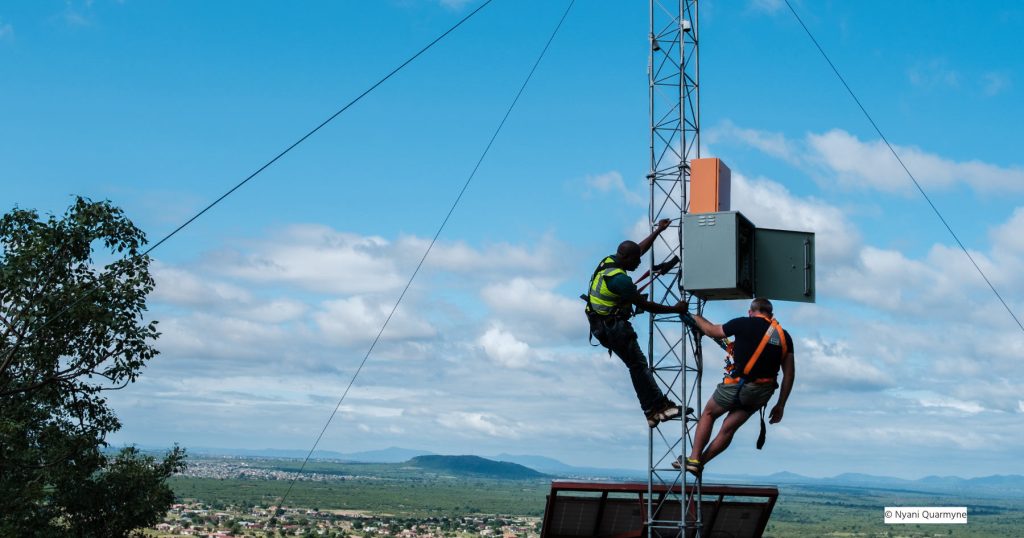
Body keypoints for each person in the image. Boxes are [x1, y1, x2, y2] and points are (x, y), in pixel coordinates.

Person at [586, 218, 690, 428]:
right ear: (626, 258)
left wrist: (658, 231)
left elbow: (639, 249)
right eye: (636, 261)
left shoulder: (609, 262)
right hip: (613, 328)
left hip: (601, 325)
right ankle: (659, 407)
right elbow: (648, 306)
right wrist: (675, 309)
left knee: (636, 366)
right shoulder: (619, 279)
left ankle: (652, 411)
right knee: (638, 366)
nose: (639, 263)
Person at [673, 297, 795, 474]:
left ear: (750, 312)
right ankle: (699, 462)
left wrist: (695, 317)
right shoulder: (784, 336)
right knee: (728, 428)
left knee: (709, 414)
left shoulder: (742, 323)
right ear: (771, 314)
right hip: (760, 393)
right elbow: (789, 374)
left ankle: (694, 458)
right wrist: (781, 405)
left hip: (736, 386)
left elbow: (711, 330)